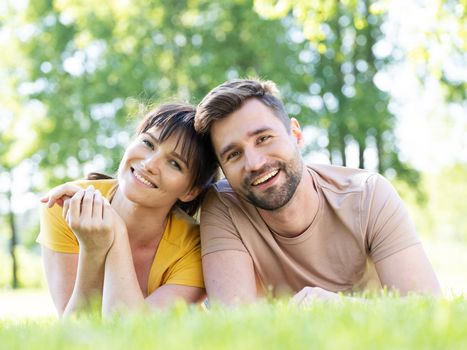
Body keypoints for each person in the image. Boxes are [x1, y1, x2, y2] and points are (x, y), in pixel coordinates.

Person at [194, 78, 442, 305]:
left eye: (264, 138)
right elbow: (237, 324)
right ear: (223, 168)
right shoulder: (223, 205)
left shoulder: (368, 194)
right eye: (234, 154)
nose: (255, 164)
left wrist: (341, 308)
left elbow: (425, 308)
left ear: (296, 135)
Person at [37, 103, 219, 317]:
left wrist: (116, 235)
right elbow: (75, 333)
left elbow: (131, 331)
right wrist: (93, 251)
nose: (150, 163)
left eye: (174, 163)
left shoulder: (197, 247)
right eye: (148, 143)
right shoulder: (67, 208)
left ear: (190, 191)